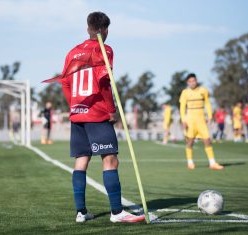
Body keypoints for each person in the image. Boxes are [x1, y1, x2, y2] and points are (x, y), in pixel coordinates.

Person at [60, 12, 144, 223]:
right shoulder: (105, 50)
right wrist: (111, 110)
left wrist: (74, 104)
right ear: (105, 30)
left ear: (88, 28)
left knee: (81, 160)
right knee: (110, 159)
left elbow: (64, 82)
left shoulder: (72, 53)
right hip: (97, 114)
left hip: (77, 115)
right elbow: (104, 84)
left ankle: (81, 212)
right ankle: (117, 213)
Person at [179, 73, 223, 170]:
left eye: (193, 81)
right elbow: (182, 108)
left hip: (201, 120)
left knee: (207, 140)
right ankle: (190, 162)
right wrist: (183, 120)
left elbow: (207, 103)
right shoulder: (185, 92)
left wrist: (210, 116)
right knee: (190, 142)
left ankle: (212, 163)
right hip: (190, 120)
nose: (192, 83)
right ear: (187, 82)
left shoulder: (203, 90)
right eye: (190, 81)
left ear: (196, 80)